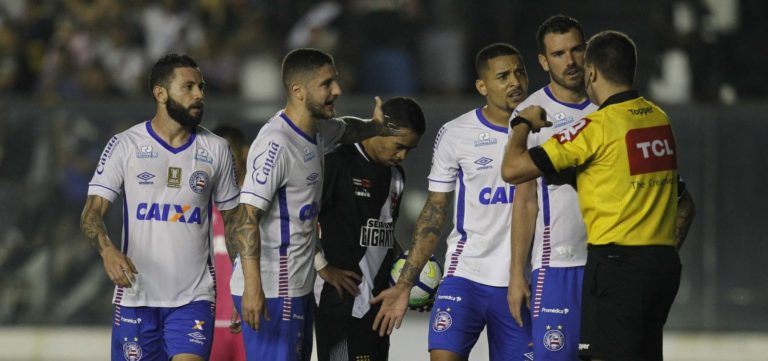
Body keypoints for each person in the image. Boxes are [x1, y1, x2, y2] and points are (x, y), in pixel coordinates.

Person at [500, 30, 696, 361]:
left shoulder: (596, 127)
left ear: (591, 72)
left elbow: (512, 169)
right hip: (662, 267)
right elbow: (685, 206)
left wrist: (522, 122)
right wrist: (658, 256)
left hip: (617, 267)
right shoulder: (658, 120)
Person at [229, 47, 400, 361]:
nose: (337, 90)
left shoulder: (319, 131)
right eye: (326, 84)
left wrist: (375, 126)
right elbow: (247, 218)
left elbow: (348, 130)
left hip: (298, 287)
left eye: (335, 80)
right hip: (274, 288)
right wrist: (252, 287)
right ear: (298, 90)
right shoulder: (276, 144)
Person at [372, 43, 533, 361]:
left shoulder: (544, 131)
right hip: (465, 277)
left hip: (521, 280)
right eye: (503, 76)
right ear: (482, 86)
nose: (515, 81)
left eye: (520, 72)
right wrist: (405, 284)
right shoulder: (456, 133)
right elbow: (435, 210)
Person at [80, 54, 241, 361]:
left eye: (201, 87)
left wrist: (240, 283)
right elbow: (91, 212)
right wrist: (107, 250)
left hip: (194, 298)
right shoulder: (125, 145)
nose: (199, 94)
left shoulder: (217, 149)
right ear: (161, 93)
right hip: (137, 296)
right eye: (189, 86)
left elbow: (235, 223)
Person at [504, 15, 597, 360]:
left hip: (609, 262)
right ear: (543, 62)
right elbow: (525, 200)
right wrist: (517, 274)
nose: (570, 61)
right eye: (558, 54)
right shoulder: (529, 115)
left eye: (576, 50)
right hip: (558, 265)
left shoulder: (608, 106)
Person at [313, 96, 426, 361]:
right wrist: (321, 265)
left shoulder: (396, 176)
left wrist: (411, 274)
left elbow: (384, 231)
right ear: (381, 129)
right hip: (339, 304)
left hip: (378, 306)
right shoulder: (337, 162)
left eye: (410, 150)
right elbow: (299, 218)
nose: (402, 156)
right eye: (399, 146)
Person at [210, 125, 249, 361]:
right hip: (206, 323)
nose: (222, 163)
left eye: (228, 153)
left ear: (244, 152)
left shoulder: (257, 203)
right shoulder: (199, 203)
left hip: (248, 319)